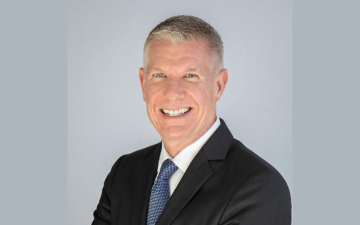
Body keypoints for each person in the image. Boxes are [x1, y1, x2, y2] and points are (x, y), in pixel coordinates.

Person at [92, 15, 291, 225]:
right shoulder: (124, 172)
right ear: (143, 84)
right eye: (159, 75)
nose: (173, 93)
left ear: (219, 85)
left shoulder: (257, 186)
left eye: (191, 76)